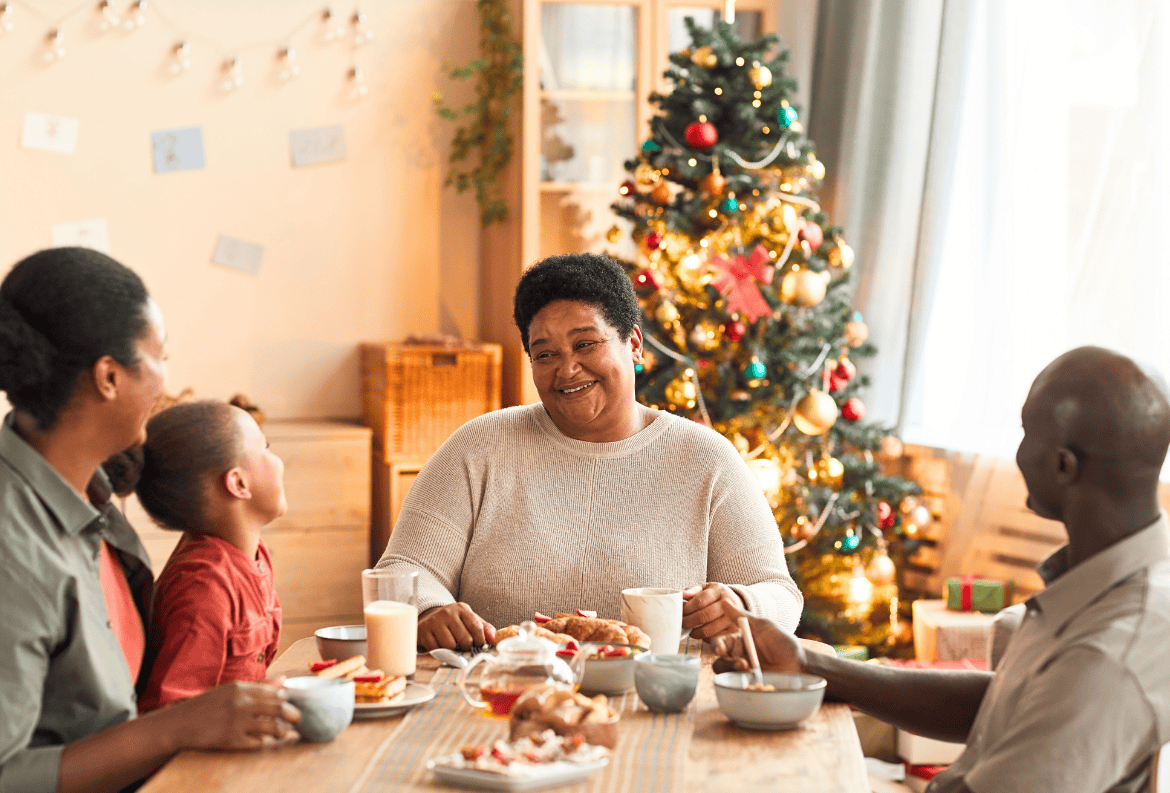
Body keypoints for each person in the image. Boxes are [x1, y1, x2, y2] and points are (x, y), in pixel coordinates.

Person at [715, 346, 1170, 793]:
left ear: (1061, 465)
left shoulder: (1109, 657)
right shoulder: (1106, 578)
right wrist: (809, 663)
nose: (1017, 452)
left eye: (1026, 433)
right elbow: (1006, 702)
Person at [376, 252, 803, 651]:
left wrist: (744, 604)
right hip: (502, 698)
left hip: (656, 704)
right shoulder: (478, 448)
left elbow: (781, 595)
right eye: (545, 354)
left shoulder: (706, 459)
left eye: (586, 344)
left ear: (634, 343)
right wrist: (429, 611)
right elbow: (398, 572)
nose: (567, 369)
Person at [0, 248, 298, 793]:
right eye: (159, 358)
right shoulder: (12, 548)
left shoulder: (90, 497)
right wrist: (177, 727)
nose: (165, 381)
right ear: (109, 377)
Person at [103, 400, 286, 711]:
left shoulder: (255, 557)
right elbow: (169, 712)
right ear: (238, 483)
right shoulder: (205, 586)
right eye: (265, 446)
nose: (278, 460)